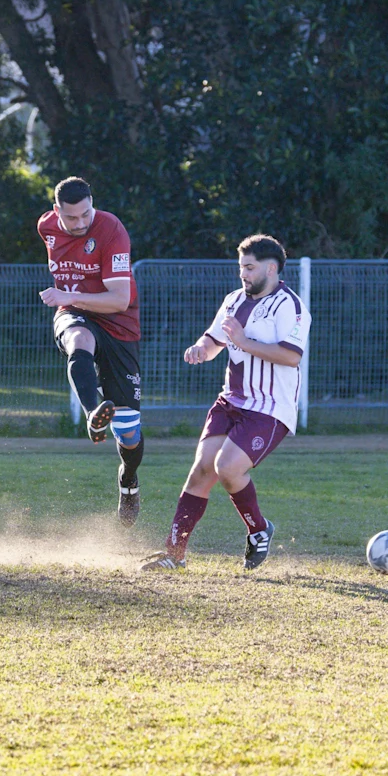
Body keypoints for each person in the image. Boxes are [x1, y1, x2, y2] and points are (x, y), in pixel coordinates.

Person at [141, 234, 310, 571]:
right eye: (240, 268)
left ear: (272, 268)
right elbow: (216, 336)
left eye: (249, 267)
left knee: (228, 468)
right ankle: (174, 554)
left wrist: (244, 341)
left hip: (269, 408)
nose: (243, 274)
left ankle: (259, 530)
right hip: (230, 401)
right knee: (202, 470)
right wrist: (202, 349)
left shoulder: (290, 306)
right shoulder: (234, 299)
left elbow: (290, 357)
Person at [37, 177, 144, 526]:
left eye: (85, 214)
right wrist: (70, 303)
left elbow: (119, 299)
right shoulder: (45, 227)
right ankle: (92, 412)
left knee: (129, 433)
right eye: (72, 218)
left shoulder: (111, 229)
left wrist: (68, 295)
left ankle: (128, 483)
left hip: (119, 325)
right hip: (77, 313)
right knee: (77, 339)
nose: (81, 223)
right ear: (57, 213)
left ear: (92, 203)